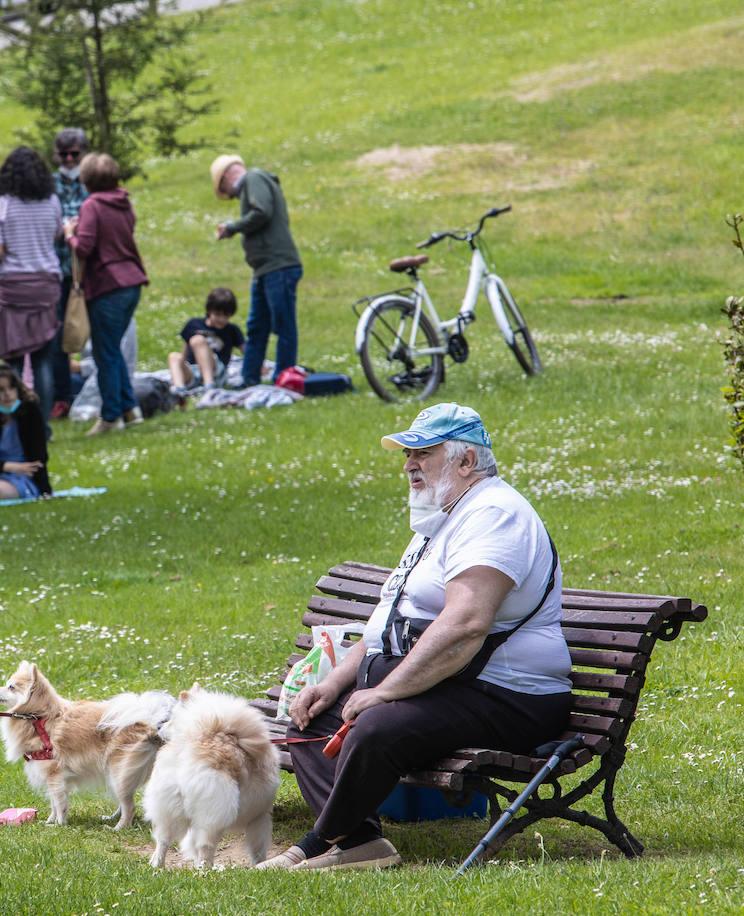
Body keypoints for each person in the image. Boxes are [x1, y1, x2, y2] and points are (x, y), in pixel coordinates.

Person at [258, 403, 572, 871]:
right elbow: (389, 623)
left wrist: (382, 692)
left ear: (466, 463)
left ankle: (318, 843)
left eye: (422, 453)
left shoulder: (495, 515)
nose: (407, 465)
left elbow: (465, 625)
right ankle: (361, 840)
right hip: (452, 683)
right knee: (314, 718)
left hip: (509, 695)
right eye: (407, 454)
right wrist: (336, 682)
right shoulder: (443, 516)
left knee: (376, 727)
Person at [65, 152, 148, 436]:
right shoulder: (123, 202)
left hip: (108, 285)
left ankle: (111, 416)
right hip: (131, 283)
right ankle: (129, 408)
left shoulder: (93, 205)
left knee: (106, 352)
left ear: (86, 182)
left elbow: (85, 248)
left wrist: (69, 234)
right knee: (112, 350)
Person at [210, 154, 303, 388]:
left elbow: (262, 212)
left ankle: (284, 379)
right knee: (257, 326)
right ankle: (249, 379)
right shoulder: (255, 182)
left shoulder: (253, 178)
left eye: (223, 188)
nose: (229, 195)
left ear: (225, 177)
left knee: (283, 326)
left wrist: (232, 228)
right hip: (264, 269)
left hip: (278, 266)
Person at [0, 146, 63, 428]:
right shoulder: (51, 202)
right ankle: (41, 425)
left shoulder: (0, 205)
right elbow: (57, 234)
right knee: (43, 361)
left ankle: (14, 423)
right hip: (46, 285)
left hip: (13, 289)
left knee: (13, 363)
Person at [49, 128, 91, 419]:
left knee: (93, 332)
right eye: (62, 154)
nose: (68, 159)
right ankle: (62, 396)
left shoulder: (92, 179)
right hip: (59, 268)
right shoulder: (50, 185)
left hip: (89, 269)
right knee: (59, 336)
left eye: (73, 154)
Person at [0, 364, 52, 501]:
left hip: (23, 474)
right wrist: (11, 467)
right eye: (0, 390)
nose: (7, 394)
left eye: (11, 388)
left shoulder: (31, 412)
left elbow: (39, 458)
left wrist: (45, 490)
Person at [167, 286, 245, 396]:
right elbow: (185, 349)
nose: (222, 319)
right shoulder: (194, 324)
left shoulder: (232, 330)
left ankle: (209, 386)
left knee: (198, 340)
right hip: (193, 370)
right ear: (209, 311)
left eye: (226, 316)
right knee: (174, 357)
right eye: (218, 314)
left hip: (216, 371)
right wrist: (182, 365)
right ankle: (180, 391)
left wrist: (258, 366)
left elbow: (245, 350)